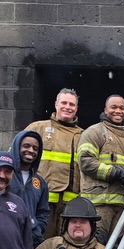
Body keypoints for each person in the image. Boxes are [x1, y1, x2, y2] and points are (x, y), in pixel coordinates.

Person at [75, 93, 124, 243]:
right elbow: (85, 161)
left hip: (123, 207)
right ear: (105, 109)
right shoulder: (93, 132)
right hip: (98, 206)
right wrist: (114, 173)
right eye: (114, 107)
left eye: (122, 108)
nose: (118, 111)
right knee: (96, 248)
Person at [36, 87, 83, 237]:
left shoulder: (84, 135)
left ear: (76, 108)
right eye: (64, 103)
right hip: (42, 202)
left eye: (72, 104)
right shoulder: (38, 128)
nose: (67, 107)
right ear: (56, 104)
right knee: (40, 243)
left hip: (71, 204)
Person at [8, 127, 51, 245]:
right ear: (17, 147)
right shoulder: (4, 176)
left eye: (35, 148)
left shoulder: (40, 182)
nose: (31, 150)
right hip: (5, 238)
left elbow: (43, 212)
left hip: (29, 240)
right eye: (26, 146)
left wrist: (37, 230)